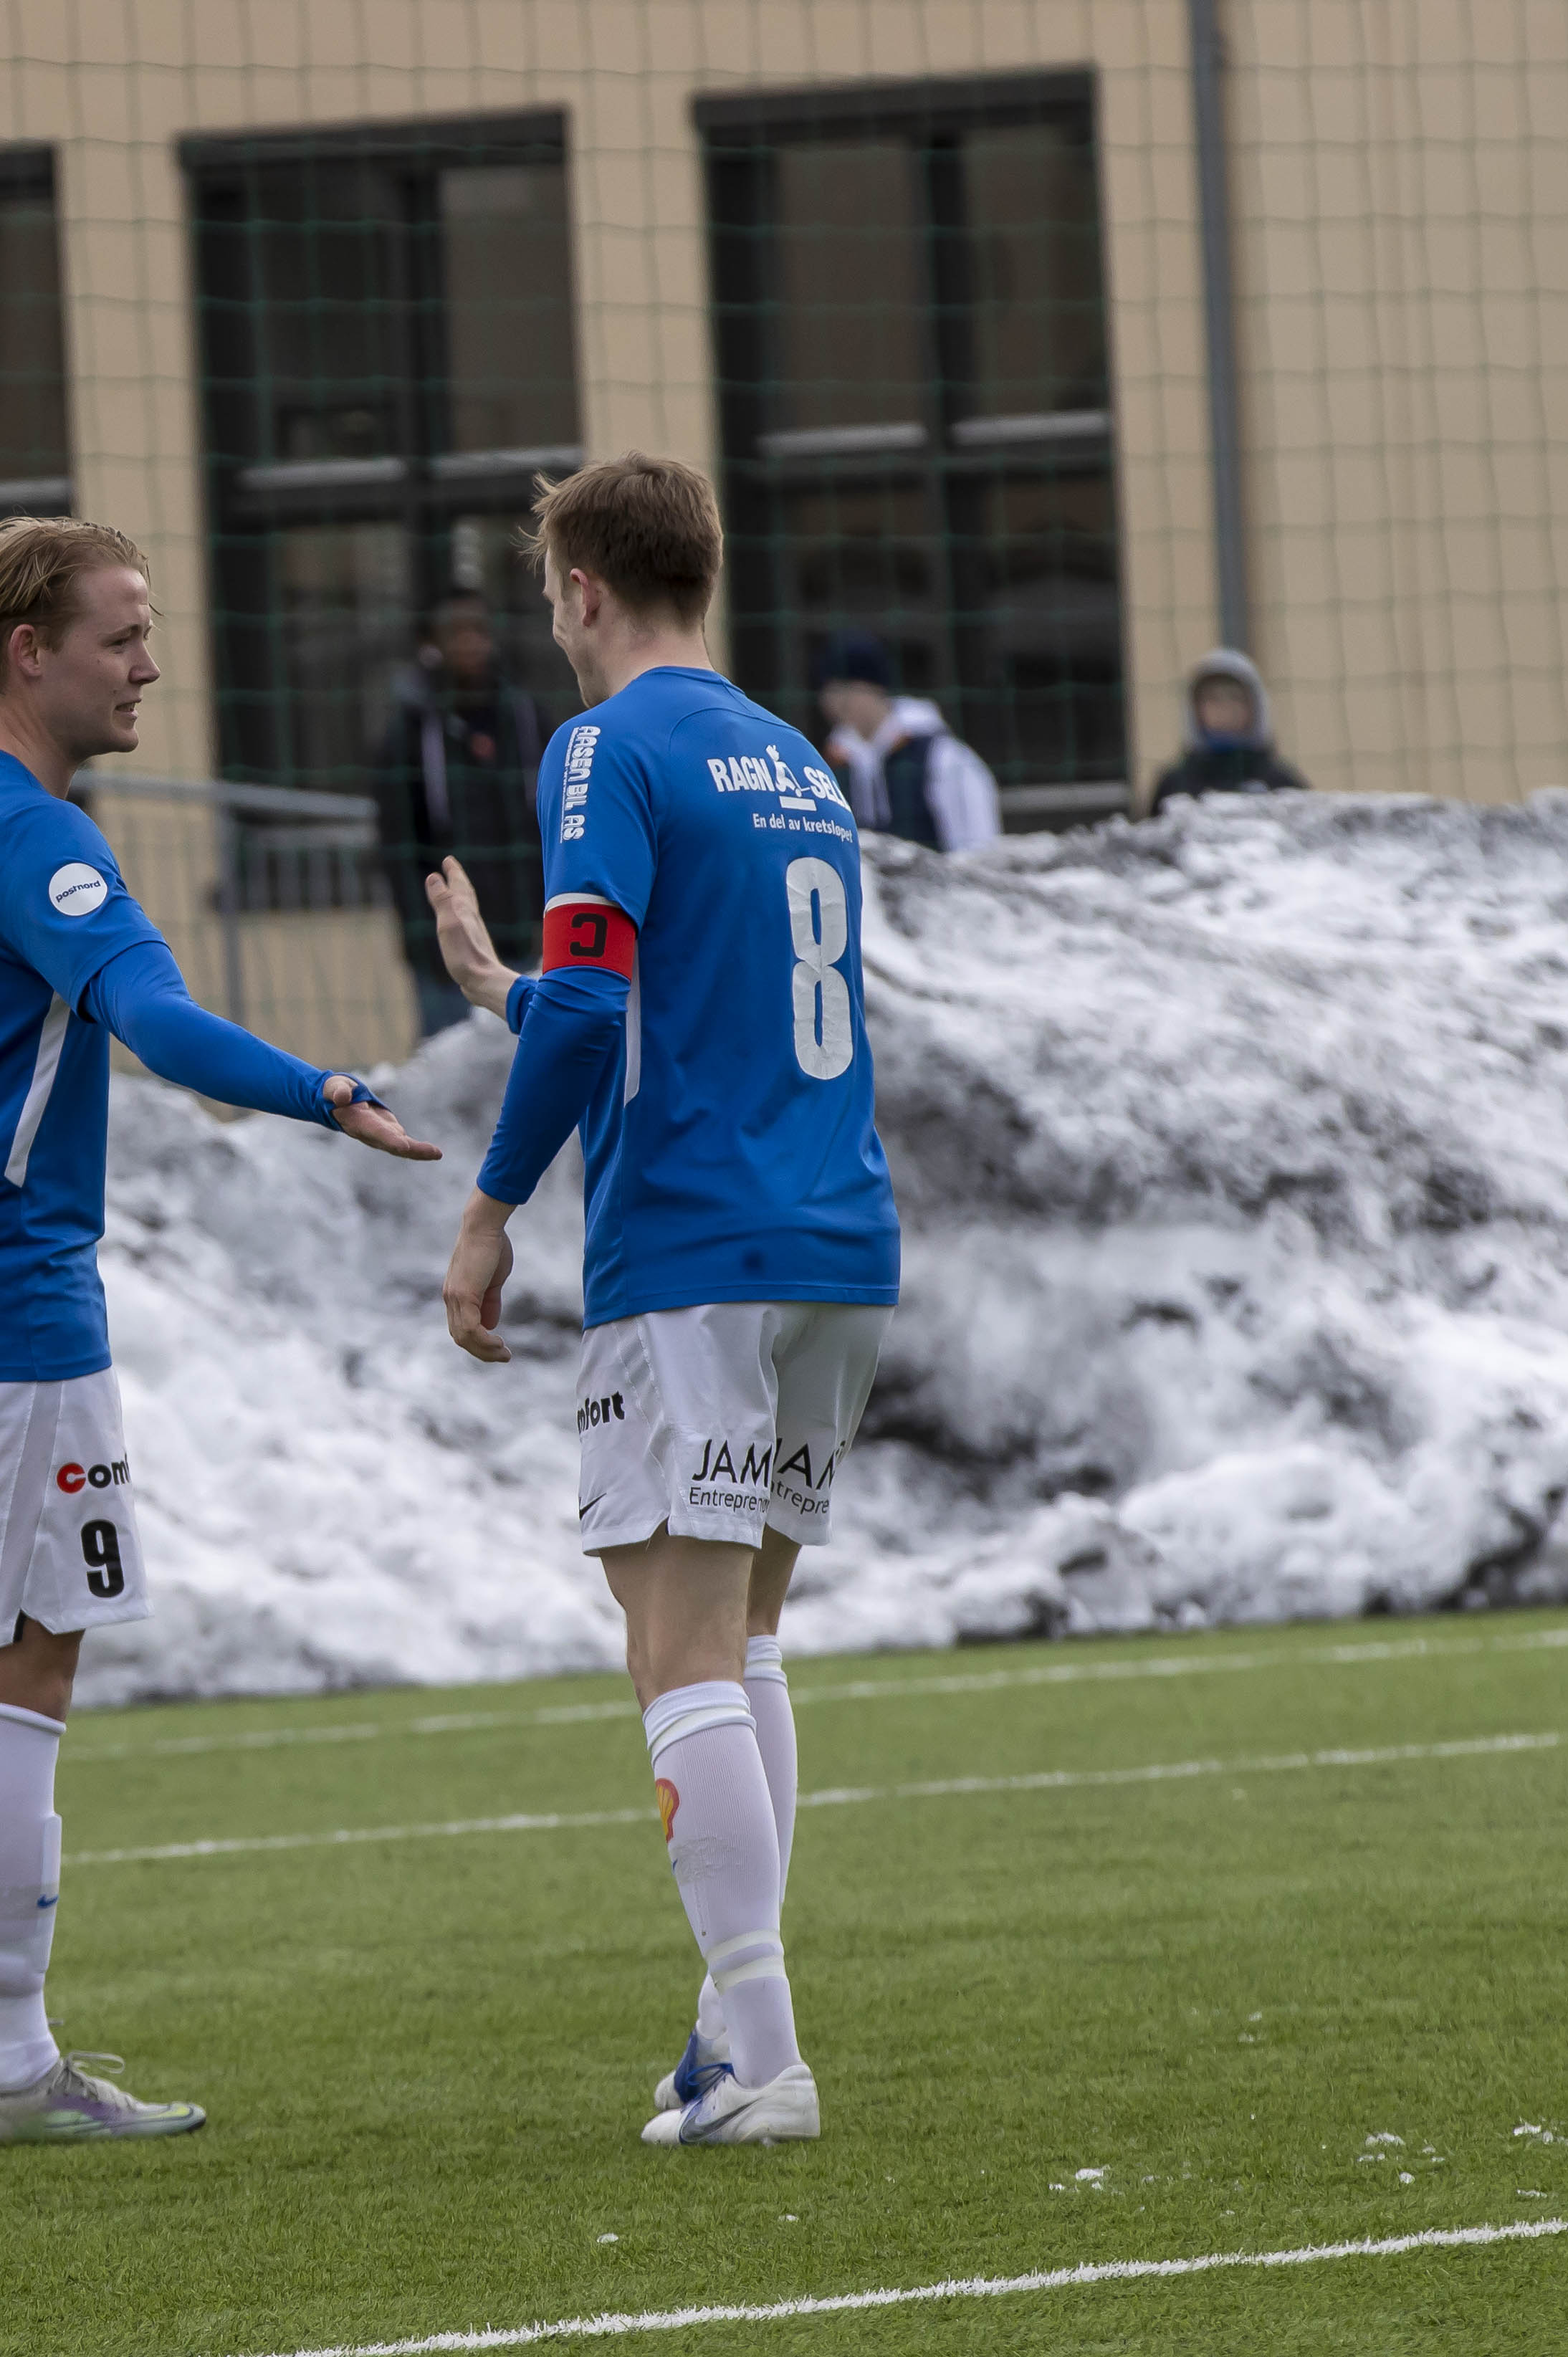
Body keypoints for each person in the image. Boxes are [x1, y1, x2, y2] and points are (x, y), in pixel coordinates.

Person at [0, 517, 441, 2145]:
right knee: (24, 1659)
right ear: (28, 650)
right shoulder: (35, 839)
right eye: (121, 636)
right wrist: (324, 1089)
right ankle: (17, 2066)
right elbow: (157, 1020)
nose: (149, 665)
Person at [426, 456, 902, 2147]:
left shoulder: (600, 745)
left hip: (692, 1246)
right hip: (833, 1239)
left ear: (577, 590)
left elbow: (602, 1008)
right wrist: (512, 985)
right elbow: (686, 984)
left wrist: (486, 1212)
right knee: (747, 1631)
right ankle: (727, 2027)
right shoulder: (789, 759)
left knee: (672, 1645)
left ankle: (764, 2054)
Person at [371, 593, 548, 1041]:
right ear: (432, 643)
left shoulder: (526, 717)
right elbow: (398, 842)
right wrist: (420, 937)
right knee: (452, 1081)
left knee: (527, 1068)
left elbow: (553, 826)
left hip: (524, 936)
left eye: (480, 630)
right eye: (458, 632)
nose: (472, 642)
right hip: (447, 947)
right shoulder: (408, 732)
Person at [812, 629, 998, 853]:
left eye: (847, 688)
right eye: (829, 690)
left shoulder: (940, 755)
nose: (836, 701)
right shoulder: (831, 763)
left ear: (877, 686)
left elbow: (978, 846)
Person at [1149, 647, 1308, 807]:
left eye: (1235, 698)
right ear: (1195, 708)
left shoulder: (1281, 783)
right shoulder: (1176, 785)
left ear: (1256, 707)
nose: (1225, 708)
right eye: (1213, 698)